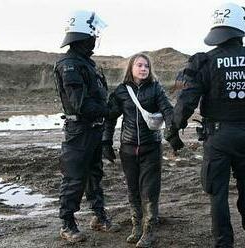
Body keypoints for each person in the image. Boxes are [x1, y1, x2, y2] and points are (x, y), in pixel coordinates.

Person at [165, 3, 245, 248]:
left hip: (216, 137)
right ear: (242, 27)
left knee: (217, 195)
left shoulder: (204, 61)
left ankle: (224, 244)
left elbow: (186, 102)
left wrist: (173, 129)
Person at [102, 53, 183, 247]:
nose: (143, 69)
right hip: (128, 148)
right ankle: (136, 226)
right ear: (131, 68)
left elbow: (167, 110)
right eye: (139, 65)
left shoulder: (156, 88)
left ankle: (149, 230)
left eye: (146, 66)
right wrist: (105, 141)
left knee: (149, 190)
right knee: (133, 190)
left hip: (151, 148)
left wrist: (172, 134)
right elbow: (110, 117)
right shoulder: (121, 91)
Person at [54, 10, 119, 243]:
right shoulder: (70, 64)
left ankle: (98, 216)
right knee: (74, 177)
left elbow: (98, 96)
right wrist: (108, 111)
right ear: (84, 36)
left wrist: (107, 110)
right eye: (93, 35)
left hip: (93, 129)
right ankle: (67, 223)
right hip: (79, 131)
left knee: (94, 174)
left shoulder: (86, 63)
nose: (95, 39)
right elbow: (79, 104)